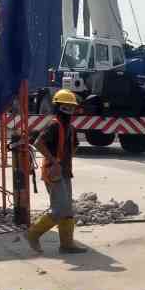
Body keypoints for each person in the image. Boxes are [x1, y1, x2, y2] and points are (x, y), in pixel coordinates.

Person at [27, 89, 86, 255]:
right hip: (53, 172)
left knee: (67, 210)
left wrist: (65, 162)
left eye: (72, 107)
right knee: (60, 209)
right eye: (66, 106)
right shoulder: (54, 125)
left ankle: (66, 245)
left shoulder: (70, 128)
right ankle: (33, 234)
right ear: (59, 106)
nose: (70, 110)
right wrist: (54, 161)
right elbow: (38, 143)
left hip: (65, 173)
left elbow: (74, 146)